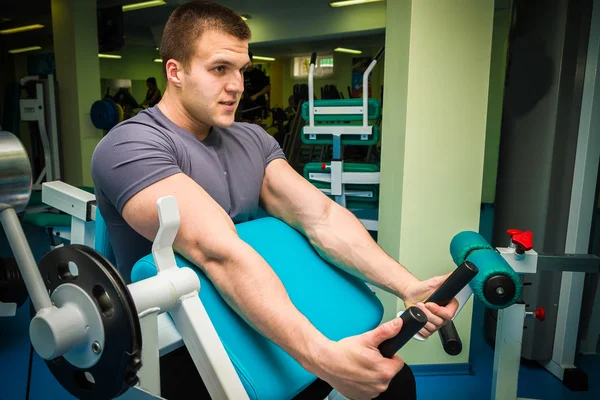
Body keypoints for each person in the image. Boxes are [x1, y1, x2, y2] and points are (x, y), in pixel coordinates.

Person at [90, 1, 458, 399]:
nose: (237, 86)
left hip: (257, 316)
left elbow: (321, 218)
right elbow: (218, 252)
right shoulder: (130, 145)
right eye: (219, 69)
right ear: (175, 71)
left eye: (241, 70)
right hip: (179, 343)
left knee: (394, 384)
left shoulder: (252, 140)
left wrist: (408, 286)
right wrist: (324, 357)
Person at [240, 52, 271, 121]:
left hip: (257, 105)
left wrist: (256, 95)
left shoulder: (258, 73)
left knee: (256, 127)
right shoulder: (241, 73)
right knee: (245, 126)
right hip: (247, 105)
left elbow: (268, 87)